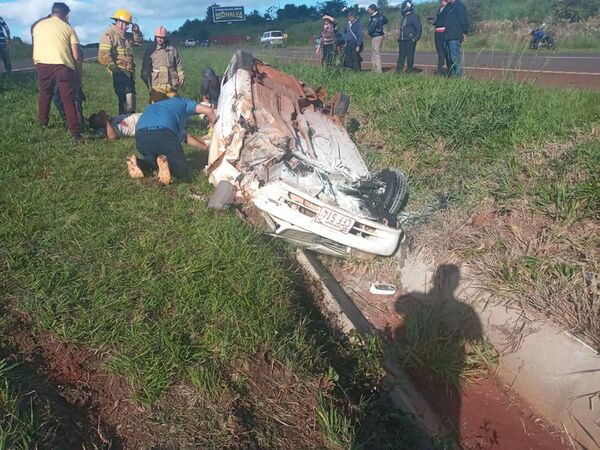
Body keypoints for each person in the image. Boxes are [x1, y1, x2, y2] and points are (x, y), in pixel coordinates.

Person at [127, 97, 216, 184]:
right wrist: (214, 126)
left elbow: (187, 138)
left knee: (152, 161)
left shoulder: (159, 108)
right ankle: (170, 169)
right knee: (183, 172)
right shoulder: (185, 103)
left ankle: (139, 164)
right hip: (163, 133)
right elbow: (209, 111)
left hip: (141, 136)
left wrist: (205, 147)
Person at [31, 2, 83, 142]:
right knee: (68, 99)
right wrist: (78, 76)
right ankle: (75, 133)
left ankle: (43, 123)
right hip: (62, 65)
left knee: (45, 94)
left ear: (53, 12)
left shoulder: (38, 26)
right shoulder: (68, 28)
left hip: (41, 64)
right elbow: (77, 56)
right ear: (67, 15)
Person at [88, 109, 209, 149]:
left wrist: (106, 118)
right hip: (147, 125)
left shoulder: (113, 120)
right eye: (99, 118)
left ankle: (205, 141)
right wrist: (104, 121)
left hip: (148, 116)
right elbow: (113, 137)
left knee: (174, 117)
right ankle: (205, 147)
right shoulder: (108, 130)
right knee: (180, 134)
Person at [98, 9, 143, 114]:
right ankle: (124, 123)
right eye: (126, 24)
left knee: (130, 100)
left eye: (128, 24)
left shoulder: (126, 35)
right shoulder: (109, 34)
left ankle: (127, 124)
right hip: (120, 71)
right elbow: (103, 55)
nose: (127, 26)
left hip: (129, 72)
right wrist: (116, 70)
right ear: (118, 21)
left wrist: (136, 31)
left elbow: (139, 42)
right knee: (126, 100)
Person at [141, 26, 185, 104]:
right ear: (155, 37)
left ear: (166, 38)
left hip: (171, 83)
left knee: (174, 106)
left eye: (162, 37)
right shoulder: (151, 50)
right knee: (156, 107)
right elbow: (145, 67)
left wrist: (181, 76)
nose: (160, 39)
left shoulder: (172, 49)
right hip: (157, 84)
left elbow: (178, 64)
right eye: (158, 37)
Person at [396, 0, 422, 74]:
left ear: (407, 7)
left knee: (410, 57)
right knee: (401, 57)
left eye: (403, 6)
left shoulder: (414, 16)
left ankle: (409, 71)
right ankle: (398, 71)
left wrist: (416, 38)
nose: (402, 8)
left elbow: (419, 28)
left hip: (410, 40)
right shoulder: (404, 17)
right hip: (402, 40)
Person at [445, 0, 469, 77]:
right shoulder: (449, 6)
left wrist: (465, 32)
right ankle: (453, 77)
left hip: (455, 36)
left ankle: (458, 77)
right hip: (448, 36)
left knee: (455, 58)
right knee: (449, 58)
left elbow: (464, 20)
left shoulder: (459, 6)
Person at [428, 0, 451, 75]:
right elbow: (440, 21)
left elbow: (447, 21)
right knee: (440, 53)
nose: (442, 1)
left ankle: (450, 70)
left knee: (447, 53)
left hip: (444, 33)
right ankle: (440, 71)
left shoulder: (449, 8)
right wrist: (434, 22)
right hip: (437, 33)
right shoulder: (440, 9)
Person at [367, 4, 388, 74]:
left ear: (373, 10)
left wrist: (369, 32)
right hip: (378, 35)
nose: (368, 11)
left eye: (369, 9)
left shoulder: (375, 17)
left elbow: (371, 28)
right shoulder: (380, 16)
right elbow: (386, 20)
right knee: (374, 52)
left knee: (376, 52)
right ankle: (374, 68)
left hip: (376, 35)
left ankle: (378, 70)